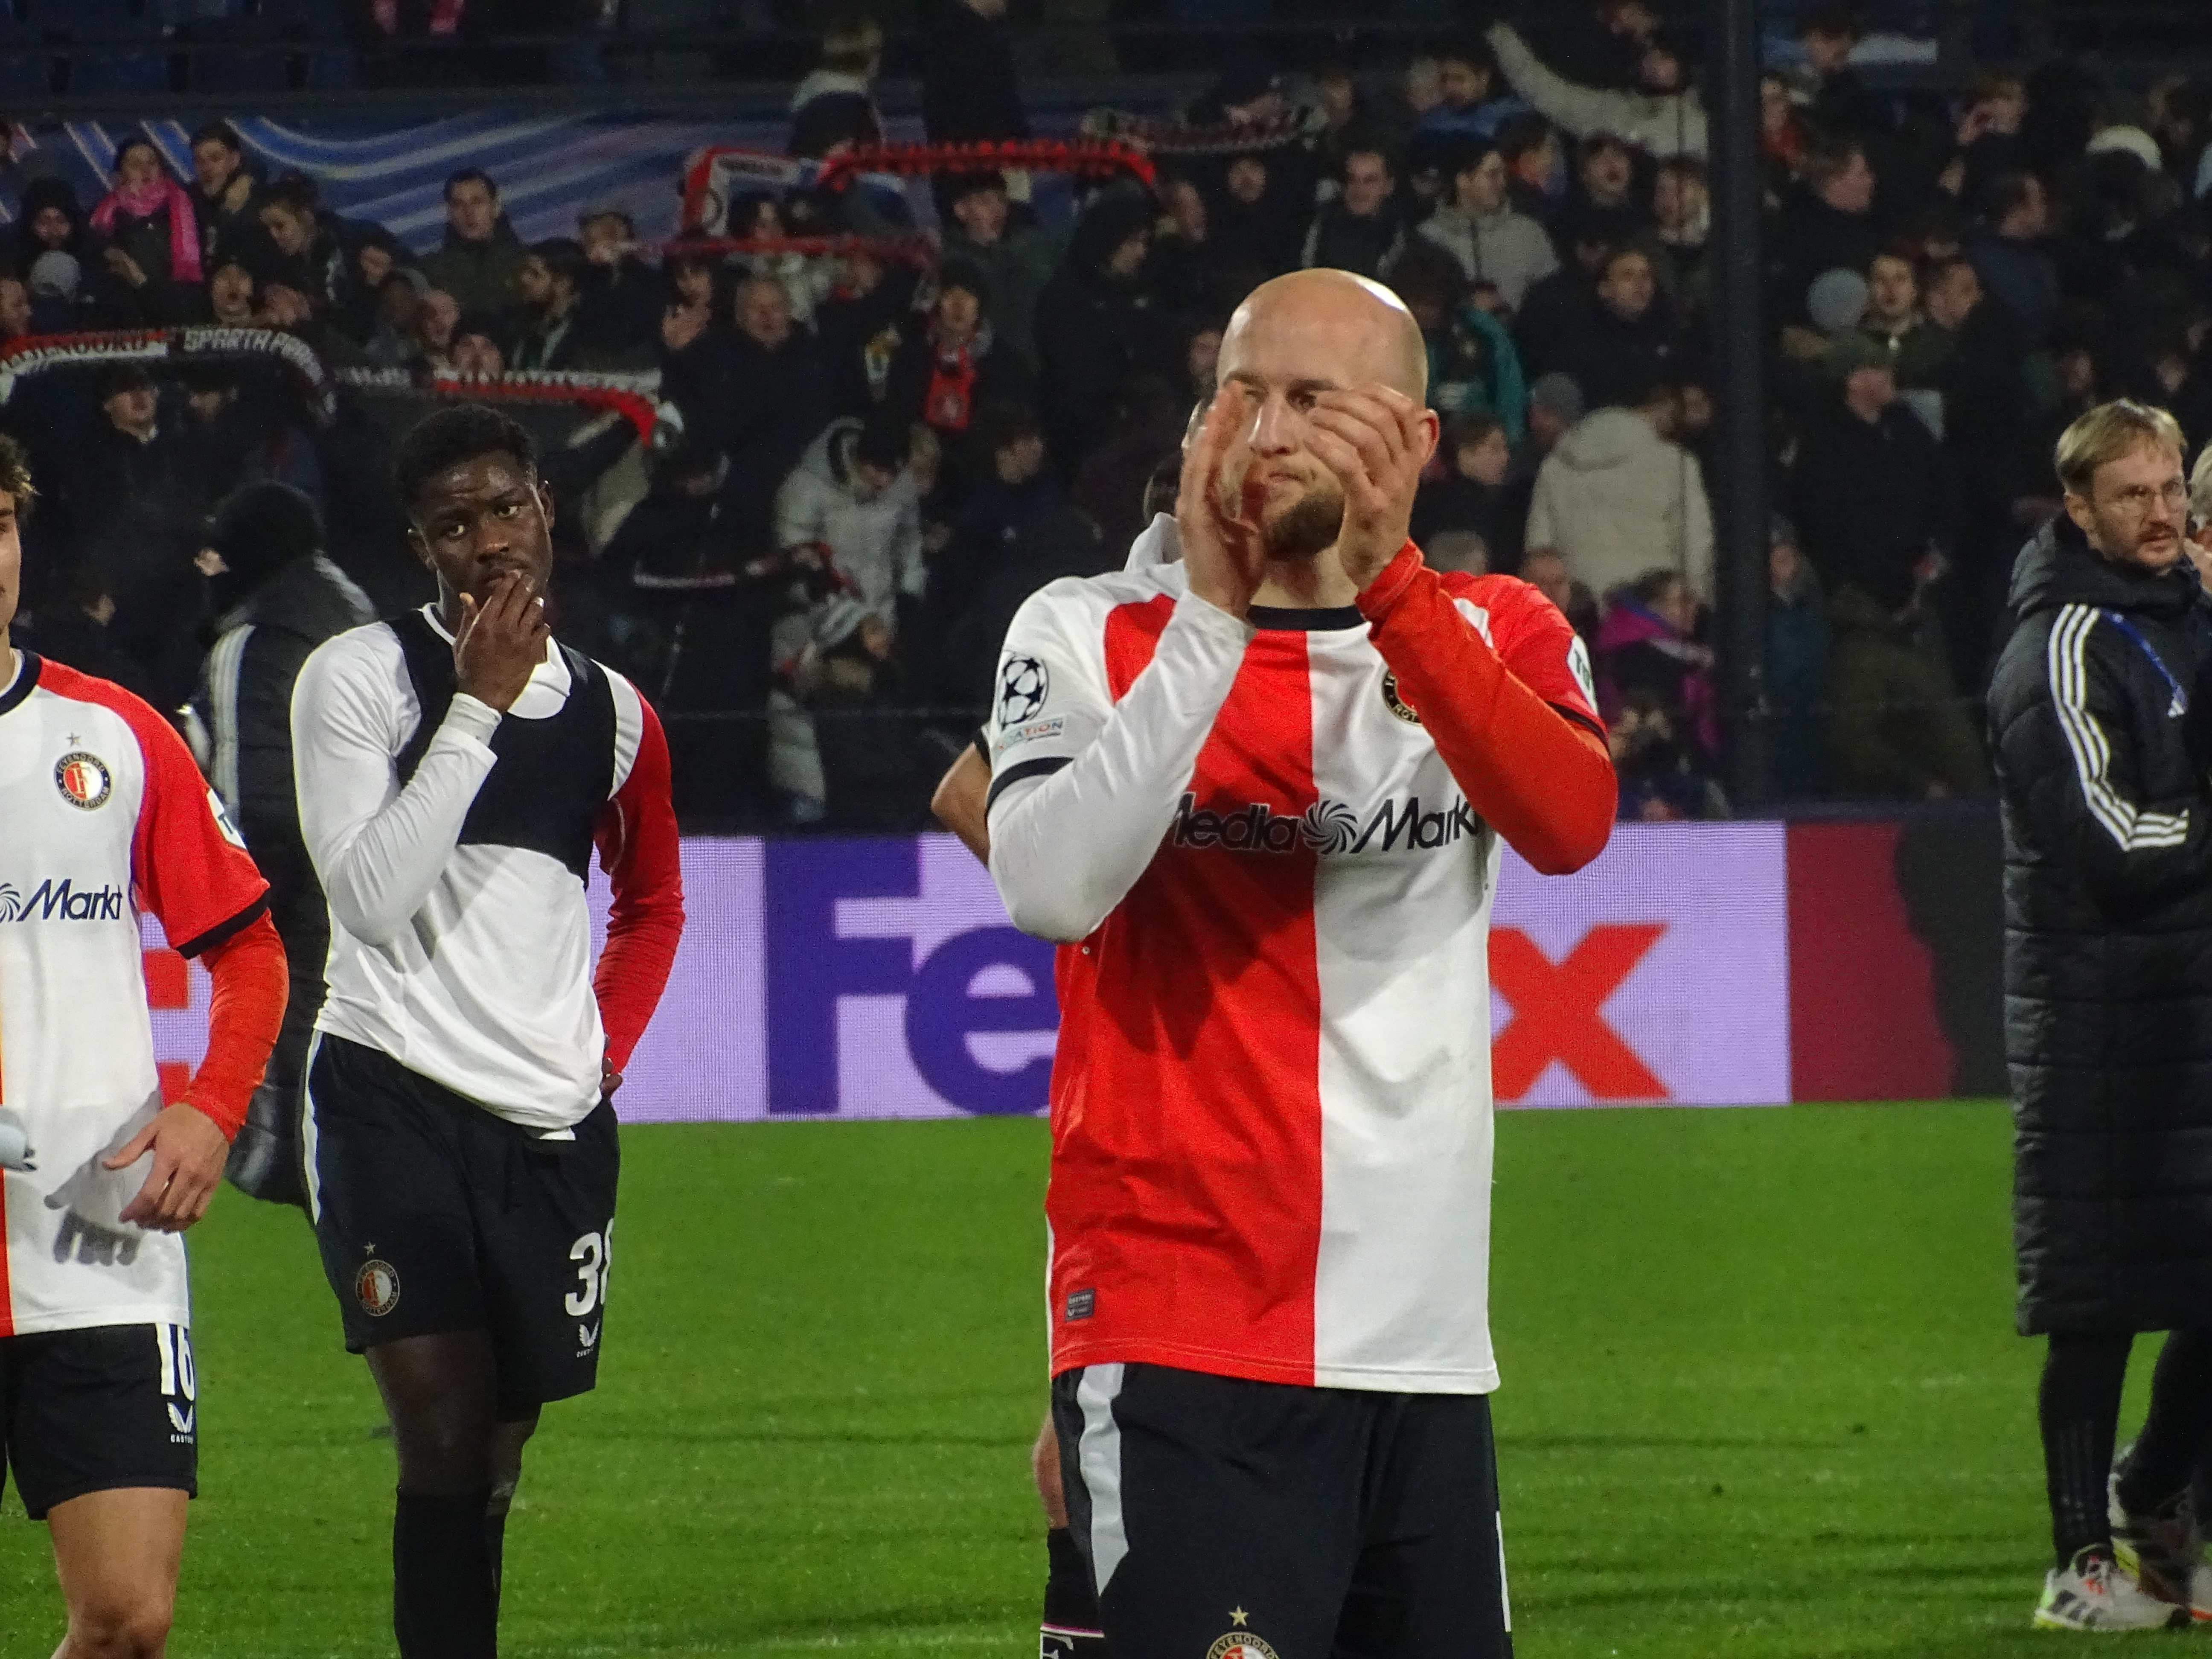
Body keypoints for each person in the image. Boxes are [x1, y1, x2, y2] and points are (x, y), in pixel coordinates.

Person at [987, 268, 1615, 1653]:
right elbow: (1045, 881)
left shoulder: (1499, 628)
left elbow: (1570, 826)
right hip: (1179, 1326)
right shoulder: (1090, 627)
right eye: (1240, 391)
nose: (1265, 430)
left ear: (1410, 436)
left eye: (1311, 400)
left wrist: (1391, 584)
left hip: (1426, 1349)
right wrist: (1214, 618)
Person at [290, 405, 685, 1657]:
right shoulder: (357, 677)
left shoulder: (619, 715)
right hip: (388, 1095)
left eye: (504, 507)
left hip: (550, 1126)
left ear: (547, 510)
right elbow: (368, 897)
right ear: (421, 548)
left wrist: (600, 1047)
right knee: (446, 1434)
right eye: (453, 524)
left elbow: (659, 902)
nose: (486, 541)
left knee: (497, 1460)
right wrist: (476, 710)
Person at [0, 431, 289, 1658]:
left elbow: (251, 948)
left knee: (127, 1623)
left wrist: (214, 1107)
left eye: (0, 525)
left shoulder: (113, 733)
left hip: (96, 1242)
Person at [1986, 400, 2212, 1631]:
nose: (2164, 513)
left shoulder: (2185, 617)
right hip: (2097, 1022)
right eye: (2133, 494)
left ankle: (2161, 1495)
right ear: (2077, 508)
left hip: (2188, 1010)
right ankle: (2081, 1567)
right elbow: (2112, 838)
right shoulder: (2063, 644)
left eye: (2173, 487)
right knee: (2097, 1304)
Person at [186, 483, 375, 1207]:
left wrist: (235, 910)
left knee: (292, 1068)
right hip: (379, 883)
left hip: (299, 900)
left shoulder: (252, 642)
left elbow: (256, 799)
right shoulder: (352, 609)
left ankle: (295, 1171)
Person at [420, 169, 529, 328]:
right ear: (449, 212)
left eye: (477, 202)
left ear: (496, 206)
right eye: (459, 205)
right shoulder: (429, 271)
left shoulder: (528, 263)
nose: (469, 212)